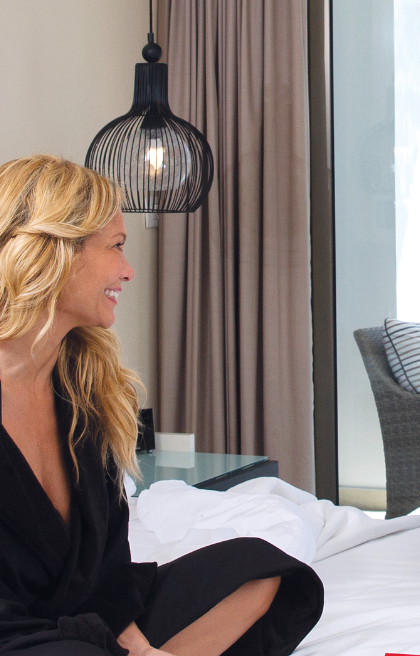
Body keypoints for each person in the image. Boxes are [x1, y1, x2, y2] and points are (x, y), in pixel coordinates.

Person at [0, 155, 323, 656]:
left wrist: (139, 646)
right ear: (56, 252)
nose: (128, 271)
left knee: (262, 567)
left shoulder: (82, 387)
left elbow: (108, 561)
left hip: (81, 614)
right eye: (116, 246)